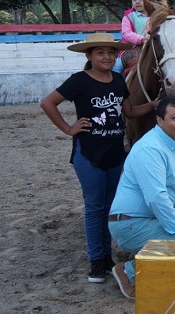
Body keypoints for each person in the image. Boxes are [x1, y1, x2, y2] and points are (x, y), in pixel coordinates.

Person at [40, 33, 158, 284]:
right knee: (94, 208)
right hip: (89, 153)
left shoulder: (118, 79)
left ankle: (106, 258)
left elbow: (129, 112)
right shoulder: (79, 81)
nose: (107, 57)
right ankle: (96, 260)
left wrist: (154, 104)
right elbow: (48, 103)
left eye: (110, 52)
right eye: (100, 52)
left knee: (110, 207)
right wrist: (68, 128)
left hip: (115, 153)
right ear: (89, 56)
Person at [108, 96, 175, 299]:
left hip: (154, 215)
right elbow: (157, 198)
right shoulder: (150, 149)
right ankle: (128, 271)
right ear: (159, 121)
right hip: (130, 223)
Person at [114, 0, 156, 74]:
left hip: (151, 47)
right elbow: (126, 33)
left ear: (149, 1)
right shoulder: (129, 17)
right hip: (131, 48)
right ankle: (114, 82)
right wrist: (142, 39)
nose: (137, 1)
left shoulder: (155, 17)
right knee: (118, 67)